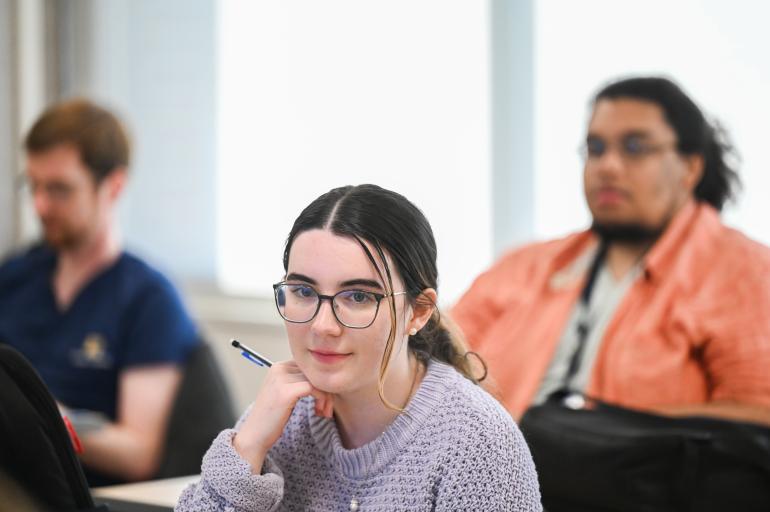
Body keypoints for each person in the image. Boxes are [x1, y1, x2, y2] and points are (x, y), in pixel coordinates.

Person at [176, 185, 542, 511]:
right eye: (303, 291)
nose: (323, 325)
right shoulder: (280, 419)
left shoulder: (477, 444)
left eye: (358, 297)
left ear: (418, 311)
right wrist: (249, 445)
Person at [452, 76, 770, 425]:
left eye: (635, 148)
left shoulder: (744, 272)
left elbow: (758, 415)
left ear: (690, 167)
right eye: (596, 149)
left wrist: (612, 438)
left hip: (651, 478)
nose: (608, 167)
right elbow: (434, 368)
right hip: (495, 471)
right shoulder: (524, 266)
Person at [0, 99, 199, 484]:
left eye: (59, 189)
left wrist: (43, 420)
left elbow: (138, 453)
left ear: (113, 186)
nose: (40, 205)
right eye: (34, 186)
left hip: (70, 494)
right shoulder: (14, 277)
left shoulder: (149, 300)